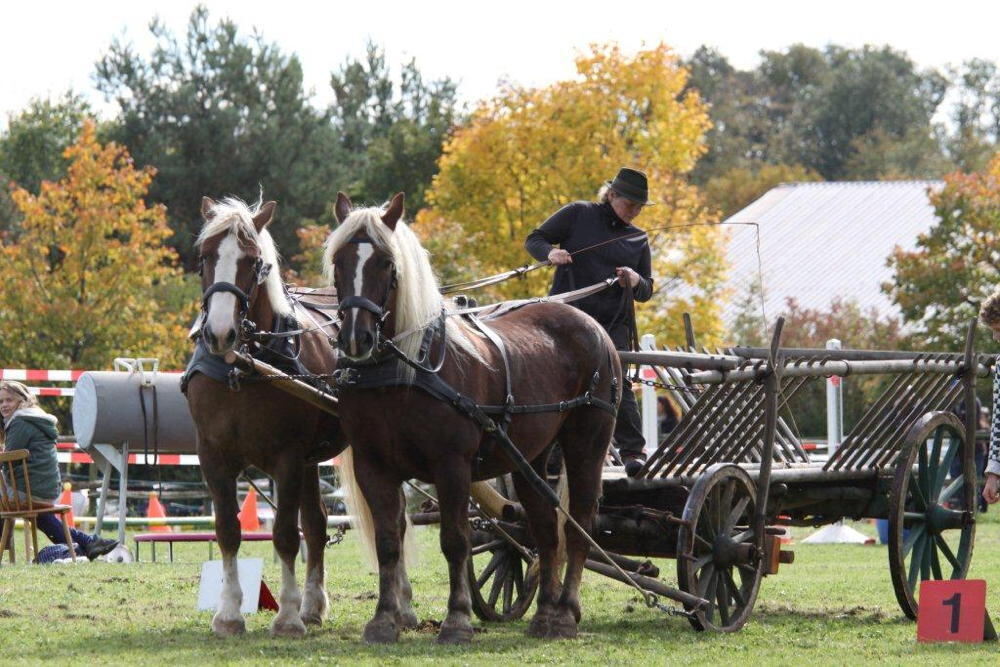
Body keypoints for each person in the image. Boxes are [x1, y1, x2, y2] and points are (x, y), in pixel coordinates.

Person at [525, 167, 654, 476]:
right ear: (611, 195)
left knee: (616, 384)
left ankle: (633, 453)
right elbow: (535, 239)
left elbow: (646, 291)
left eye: (639, 207)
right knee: (557, 386)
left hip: (612, 327)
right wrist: (550, 254)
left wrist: (635, 279)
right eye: (630, 204)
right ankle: (550, 456)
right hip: (566, 322)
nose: (634, 212)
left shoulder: (638, 239)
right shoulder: (578, 213)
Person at [0, 380, 118, 560]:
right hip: (46, 489)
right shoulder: (35, 417)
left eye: (9, 400)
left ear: (21, 401)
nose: (4, 405)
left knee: (4, 501)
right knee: (41, 517)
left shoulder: (20, 422)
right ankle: (88, 543)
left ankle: (3, 546)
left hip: (29, 489)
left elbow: (8, 458)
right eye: (1, 401)